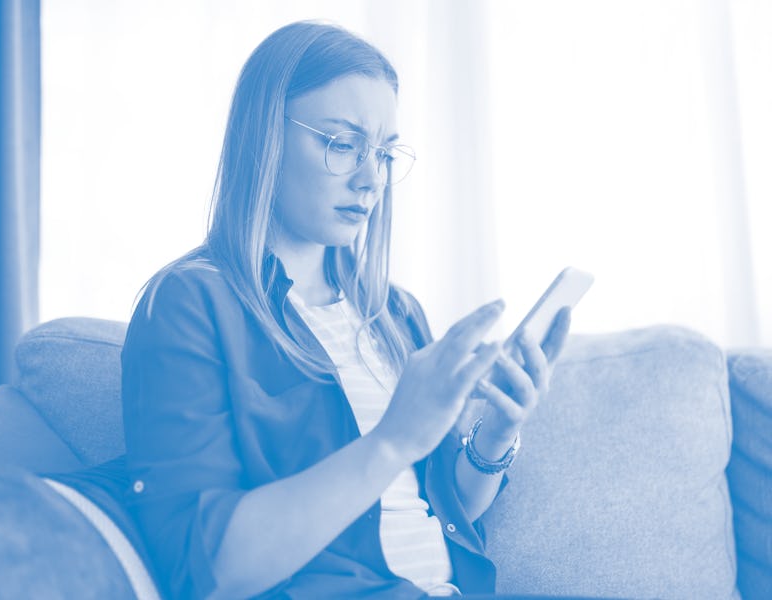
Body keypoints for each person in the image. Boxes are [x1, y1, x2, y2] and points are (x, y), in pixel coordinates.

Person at [121, 20, 571, 599]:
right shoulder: (188, 307)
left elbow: (438, 510)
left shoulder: (393, 313)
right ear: (266, 139)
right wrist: (391, 441)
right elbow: (206, 568)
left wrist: (498, 435)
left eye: (383, 152)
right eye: (341, 143)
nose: (370, 179)